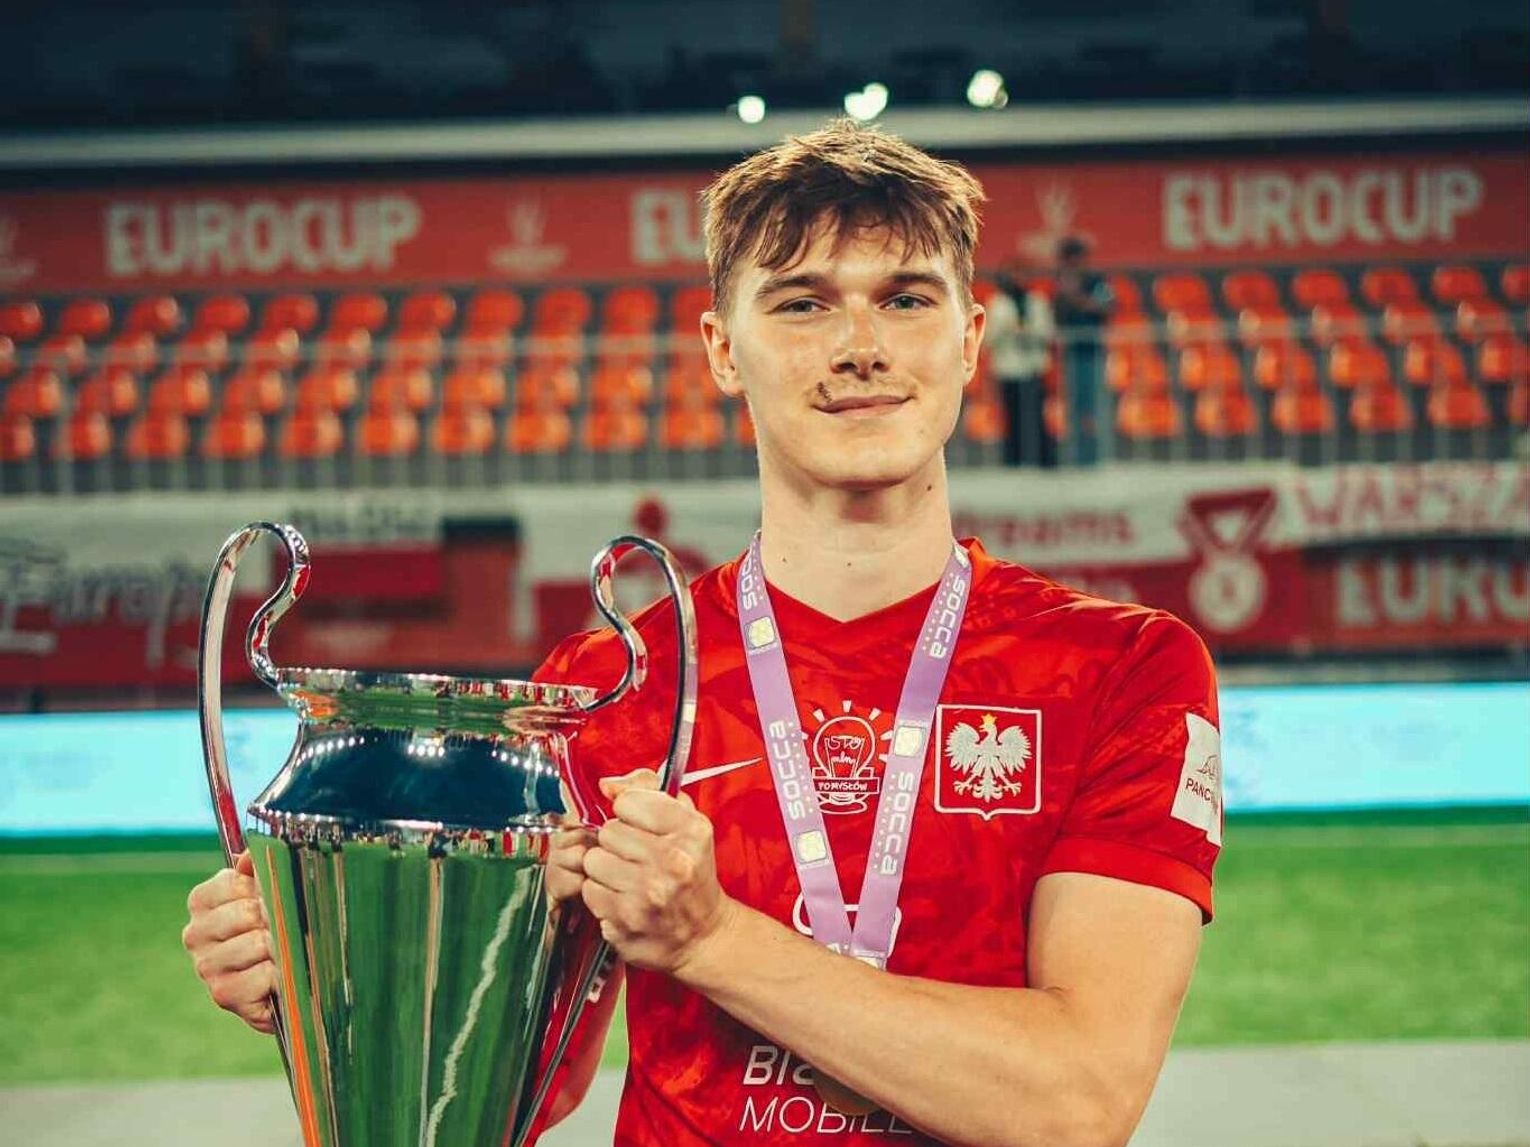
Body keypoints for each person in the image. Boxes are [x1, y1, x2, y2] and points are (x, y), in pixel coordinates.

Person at [183, 119, 1223, 1147]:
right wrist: (334, 989)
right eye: (802, 304)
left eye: (906, 299)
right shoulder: (603, 685)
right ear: (724, 350)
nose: (861, 348)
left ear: (970, 339)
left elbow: (1077, 1101)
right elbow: (513, 1094)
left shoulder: (1123, 667)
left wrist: (712, 940)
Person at [986, 256, 1056, 467]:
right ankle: (1014, 461)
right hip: (1008, 368)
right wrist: (1007, 329)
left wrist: (1029, 331)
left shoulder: (1037, 301)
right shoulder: (997, 303)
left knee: (1036, 416)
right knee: (1013, 416)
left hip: (1033, 367)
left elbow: (1048, 332)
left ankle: (1043, 460)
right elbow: (989, 337)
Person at [1052, 236, 1115, 466]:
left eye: (1075, 258)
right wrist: (1065, 296)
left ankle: (1099, 457)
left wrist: (1077, 297)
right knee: (1074, 407)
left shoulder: (1097, 280)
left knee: (1096, 406)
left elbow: (1106, 307)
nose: (1073, 263)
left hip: (1093, 352)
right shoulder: (1060, 283)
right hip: (1071, 354)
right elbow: (1057, 317)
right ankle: (1076, 458)